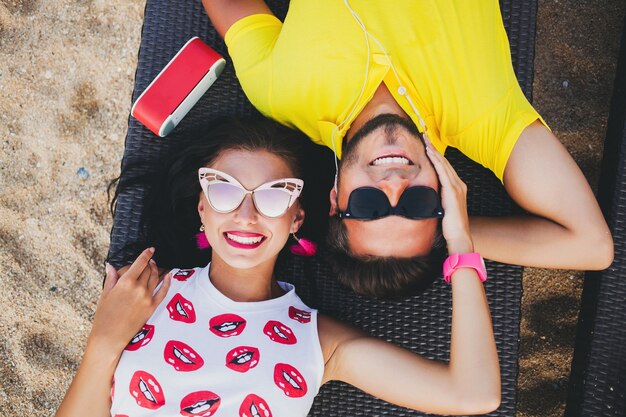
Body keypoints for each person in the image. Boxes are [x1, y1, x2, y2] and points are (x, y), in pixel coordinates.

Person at [55, 118, 500, 416]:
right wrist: (103, 342)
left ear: (297, 218)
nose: (246, 215)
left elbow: (473, 394)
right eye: (225, 191)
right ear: (202, 208)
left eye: (273, 195)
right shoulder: (145, 293)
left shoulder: (316, 340)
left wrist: (460, 241)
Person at [201, 0, 614, 297]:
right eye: (417, 204)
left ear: (333, 199)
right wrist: (457, 233)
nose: (395, 183)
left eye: (368, 205)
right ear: (443, 199)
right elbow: (592, 247)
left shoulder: (280, 97)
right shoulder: (483, 115)